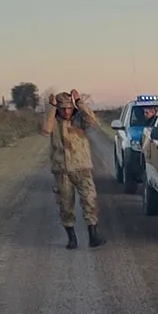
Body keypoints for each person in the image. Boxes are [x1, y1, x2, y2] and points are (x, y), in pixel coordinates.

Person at [41, 89, 106, 249]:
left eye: (69, 108)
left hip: (82, 167)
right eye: (63, 108)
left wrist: (80, 102)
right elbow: (45, 130)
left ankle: (93, 235)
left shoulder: (79, 120)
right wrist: (51, 108)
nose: (67, 111)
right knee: (65, 205)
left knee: (90, 200)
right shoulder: (53, 122)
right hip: (62, 170)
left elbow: (93, 122)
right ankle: (71, 238)